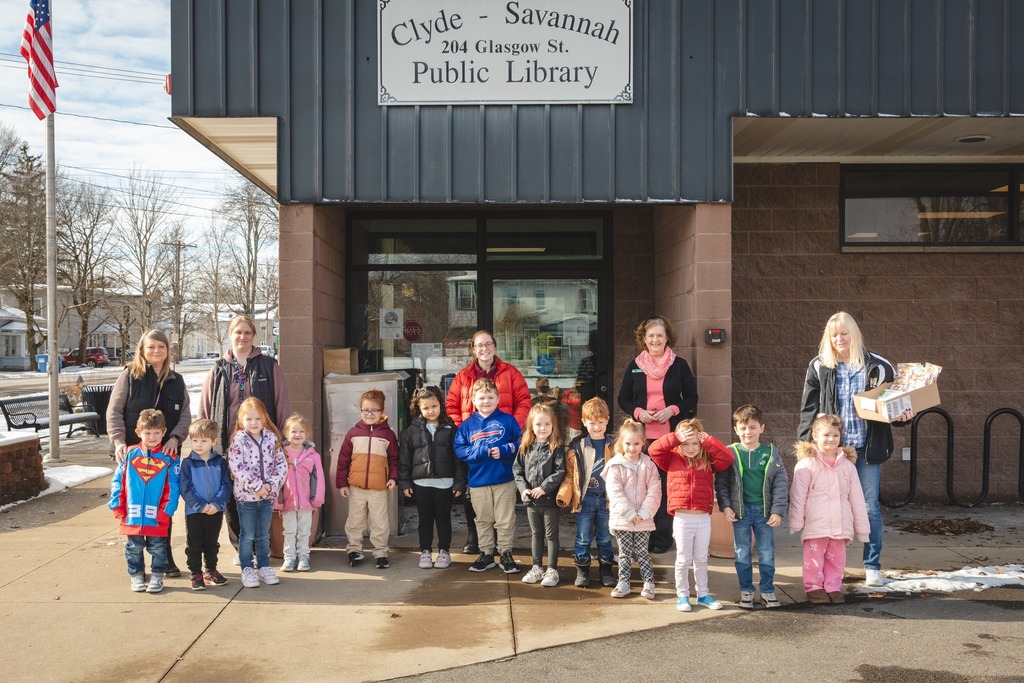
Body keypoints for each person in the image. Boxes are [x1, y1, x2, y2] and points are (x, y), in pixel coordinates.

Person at [798, 311, 911, 587]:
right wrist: (805, 444)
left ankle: (872, 566)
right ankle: (826, 569)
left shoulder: (879, 366)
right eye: (834, 334)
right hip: (830, 452)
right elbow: (809, 408)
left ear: (854, 334)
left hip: (865, 449)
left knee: (869, 507)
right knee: (824, 508)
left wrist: (905, 415)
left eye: (844, 333)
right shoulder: (819, 365)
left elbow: (895, 403)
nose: (839, 339)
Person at [199, 315, 290, 563]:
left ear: (254, 335)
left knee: (260, 496)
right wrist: (205, 442)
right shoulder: (218, 368)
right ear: (230, 334)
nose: (243, 336)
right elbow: (205, 410)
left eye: (247, 332)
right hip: (227, 447)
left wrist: (282, 439)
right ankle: (241, 547)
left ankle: (261, 545)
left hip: (261, 447)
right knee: (231, 498)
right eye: (238, 332)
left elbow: (282, 405)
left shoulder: (269, 366)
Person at [107, 328, 191, 577]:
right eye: (151, 347)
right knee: (135, 504)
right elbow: (114, 410)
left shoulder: (176, 379)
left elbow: (185, 413)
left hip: (166, 453)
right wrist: (119, 441)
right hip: (135, 453)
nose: (157, 351)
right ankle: (136, 561)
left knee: (162, 503)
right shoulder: (130, 375)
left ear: (168, 350)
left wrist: (176, 437)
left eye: (161, 347)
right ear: (142, 349)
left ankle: (164, 559)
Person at [618, 316, 698, 554]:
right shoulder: (635, 365)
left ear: (667, 338)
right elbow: (623, 398)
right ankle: (641, 536)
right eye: (650, 336)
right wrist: (638, 412)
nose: (655, 340)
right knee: (640, 487)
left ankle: (662, 538)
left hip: (669, 440)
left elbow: (692, 398)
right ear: (644, 339)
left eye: (660, 336)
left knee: (663, 487)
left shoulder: (679, 365)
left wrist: (672, 410)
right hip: (641, 440)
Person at [447, 330, 531, 554]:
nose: (484, 349)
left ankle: (502, 545)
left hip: (502, 446)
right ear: (473, 350)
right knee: (473, 492)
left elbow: (524, 401)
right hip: (475, 443)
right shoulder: (463, 376)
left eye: (488, 344)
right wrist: (464, 430)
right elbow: (452, 406)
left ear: (494, 346)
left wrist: (512, 425)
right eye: (479, 345)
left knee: (502, 492)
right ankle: (476, 538)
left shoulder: (510, 373)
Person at [649, 417, 734, 612]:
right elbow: (654, 450)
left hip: (703, 518)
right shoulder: (671, 458)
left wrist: (708, 441)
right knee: (683, 559)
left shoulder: (706, 459)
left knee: (701, 558)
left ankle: (703, 594)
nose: (691, 447)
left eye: (695, 443)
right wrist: (675, 437)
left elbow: (727, 458)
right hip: (682, 518)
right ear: (679, 443)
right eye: (685, 443)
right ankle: (682, 595)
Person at [789, 414, 870, 604]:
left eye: (835, 435)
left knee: (837, 558)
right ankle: (814, 587)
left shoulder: (847, 466)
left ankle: (833, 586)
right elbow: (798, 496)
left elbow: (857, 498)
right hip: (816, 522)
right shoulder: (807, 464)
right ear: (815, 436)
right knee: (814, 557)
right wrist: (796, 521)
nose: (831, 440)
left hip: (840, 522)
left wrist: (862, 529)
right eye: (826, 435)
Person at [714, 404, 788, 609]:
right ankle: (746, 590)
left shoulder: (771, 452)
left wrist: (777, 510)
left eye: (753, 427)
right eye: (743, 428)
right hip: (741, 512)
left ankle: (767, 590)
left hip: (764, 513)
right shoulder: (730, 452)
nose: (748, 432)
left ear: (761, 428)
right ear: (736, 429)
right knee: (742, 553)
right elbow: (722, 482)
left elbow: (780, 483)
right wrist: (726, 506)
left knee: (766, 553)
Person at [454, 378, 524, 574]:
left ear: (498, 398)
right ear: (473, 401)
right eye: (481, 397)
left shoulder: (508, 420)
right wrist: (482, 451)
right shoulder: (467, 426)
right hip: (478, 482)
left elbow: (521, 443)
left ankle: (505, 553)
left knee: (505, 519)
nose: (486, 401)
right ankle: (486, 552)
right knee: (483, 519)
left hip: (504, 479)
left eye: (490, 397)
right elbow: (460, 450)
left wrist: (505, 449)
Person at [108, 409, 180, 594]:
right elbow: (118, 482)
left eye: (157, 433)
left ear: (164, 432)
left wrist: (167, 511)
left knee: (158, 547)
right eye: (147, 433)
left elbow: (173, 487)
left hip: (157, 515)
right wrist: (116, 505)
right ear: (139, 432)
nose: (152, 437)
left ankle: (157, 574)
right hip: (132, 513)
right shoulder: (129, 456)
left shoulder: (169, 459)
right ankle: (136, 574)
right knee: (134, 547)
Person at [400, 386, 465, 570]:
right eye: (426, 407)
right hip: (421, 483)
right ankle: (425, 552)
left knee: (444, 519)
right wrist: (405, 481)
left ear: (440, 405)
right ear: (419, 409)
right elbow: (405, 458)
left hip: (445, 483)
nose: (431, 411)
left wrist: (459, 482)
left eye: (434, 406)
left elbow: (458, 458)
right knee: (425, 519)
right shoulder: (412, 431)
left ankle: (444, 551)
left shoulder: (450, 428)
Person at [228, 397, 287, 588]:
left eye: (257, 419)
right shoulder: (239, 440)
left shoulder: (272, 437)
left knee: (263, 534)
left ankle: (263, 567)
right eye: (248, 419)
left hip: (267, 496)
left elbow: (281, 464)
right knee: (248, 534)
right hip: (247, 498)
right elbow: (238, 468)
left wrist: (270, 485)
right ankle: (247, 568)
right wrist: (257, 486)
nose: (253, 423)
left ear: (264, 418)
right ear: (241, 420)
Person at [337, 388, 399, 570]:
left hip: (379, 488)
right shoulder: (353, 434)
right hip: (356, 487)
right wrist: (342, 483)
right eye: (366, 410)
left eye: (374, 410)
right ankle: (354, 550)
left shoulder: (388, 435)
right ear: (360, 411)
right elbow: (343, 460)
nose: (370, 414)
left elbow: (395, 459)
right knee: (355, 521)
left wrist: (393, 478)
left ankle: (381, 552)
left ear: (382, 412)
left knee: (380, 522)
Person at [603, 419, 661, 600]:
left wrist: (644, 512)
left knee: (643, 551)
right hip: (623, 519)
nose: (632, 448)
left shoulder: (649, 465)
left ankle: (649, 582)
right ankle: (624, 582)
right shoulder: (615, 465)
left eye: (636, 443)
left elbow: (655, 490)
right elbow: (614, 492)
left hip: (643, 519)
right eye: (628, 443)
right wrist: (628, 512)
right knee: (624, 553)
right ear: (621, 442)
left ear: (643, 442)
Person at [513, 403, 567, 588]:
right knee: (536, 534)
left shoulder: (557, 447)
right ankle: (537, 567)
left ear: (553, 425)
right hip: (531, 501)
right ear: (531, 426)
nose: (542, 428)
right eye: (538, 424)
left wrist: (544, 488)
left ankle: (552, 569)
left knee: (551, 535)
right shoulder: (525, 447)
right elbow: (517, 470)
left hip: (549, 500)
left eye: (547, 424)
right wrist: (523, 489)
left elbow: (560, 471)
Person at [565, 397, 616, 589]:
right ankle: (582, 569)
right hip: (585, 499)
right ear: (584, 422)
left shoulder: (614, 446)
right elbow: (570, 473)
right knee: (583, 536)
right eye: (592, 423)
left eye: (601, 422)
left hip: (606, 499)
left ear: (608, 420)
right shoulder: (578, 446)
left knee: (604, 536)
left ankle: (606, 570)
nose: (596, 427)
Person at [178, 418, 231, 590]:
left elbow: (226, 485)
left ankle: (210, 570)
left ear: (213, 441)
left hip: (215, 511)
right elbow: (185, 488)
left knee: (211, 543)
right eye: (195, 440)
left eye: (204, 440)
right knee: (194, 544)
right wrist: (200, 505)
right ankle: (196, 573)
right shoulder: (187, 463)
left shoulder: (220, 462)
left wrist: (217, 504)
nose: (198, 445)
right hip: (195, 512)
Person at [274, 413, 325, 573]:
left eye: (301, 432)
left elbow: (319, 478)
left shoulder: (313, 456)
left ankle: (303, 556)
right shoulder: (281, 454)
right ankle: (289, 558)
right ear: (286, 433)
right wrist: (277, 501)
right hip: (288, 501)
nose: (297, 435)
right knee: (289, 530)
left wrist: (317, 498)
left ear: (307, 434)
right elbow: (276, 478)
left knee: (304, 531)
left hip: (306, 502)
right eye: (294, 431)